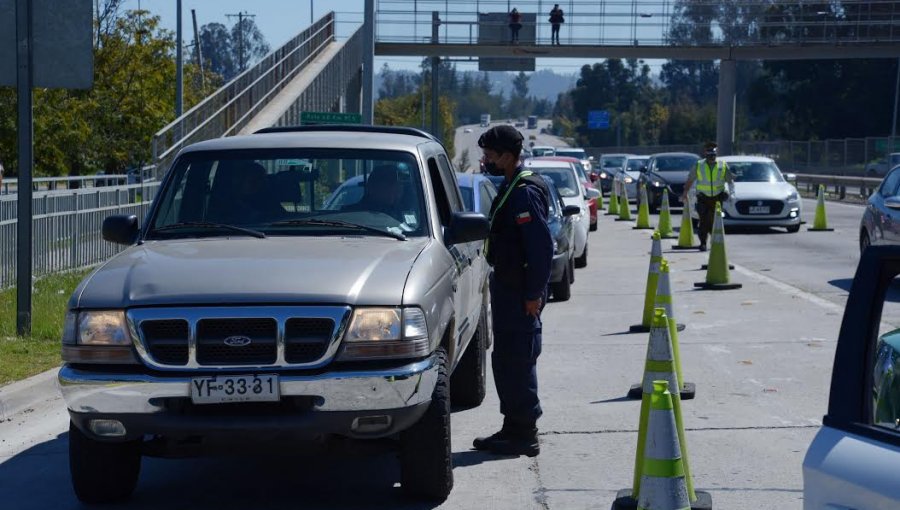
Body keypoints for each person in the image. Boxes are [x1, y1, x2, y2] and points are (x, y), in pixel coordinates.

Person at [473, 125, 553, 457]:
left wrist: (533, 293)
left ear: (507, 157)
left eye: (490, 156)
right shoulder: (511, 186)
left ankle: (524, 434)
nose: (485, 161)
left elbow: (540, 248)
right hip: (509, 289)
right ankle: (513, 427)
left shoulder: (523, 192)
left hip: (520, 293)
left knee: (518, 361)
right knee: (506, 360)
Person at [682, 142, 735, 251]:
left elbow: (730, 181)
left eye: (713, 155)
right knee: (703, 221)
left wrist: (731, 194)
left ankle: (716, 242)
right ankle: (703, 243)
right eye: (710, 155)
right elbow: (690, 179)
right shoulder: (699, 165)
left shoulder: (722, 165)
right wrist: (685, 193)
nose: (712, 157)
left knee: (715, 221)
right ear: (706, 155)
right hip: (703, 198)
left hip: (717, 198)